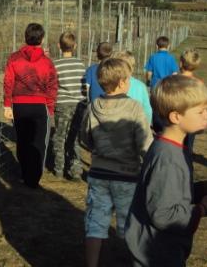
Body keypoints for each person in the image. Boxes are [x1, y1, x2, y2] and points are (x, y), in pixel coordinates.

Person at [125, 75, 207, 267]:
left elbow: (168, 193)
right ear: (176, 116)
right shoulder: (168, 158)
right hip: (157, 252)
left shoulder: (172, 147)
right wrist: (202, 210)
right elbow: (163, 215)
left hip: (162, 248)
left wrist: (201, 189)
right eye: (201, 111)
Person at [79, 58, 153, 267]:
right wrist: (150, 161)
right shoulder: (134, 108)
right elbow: (144, 141)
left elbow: (84, 136)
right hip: (127, 175)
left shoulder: (93, 106)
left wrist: (97, 148)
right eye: (129, 78)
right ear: (122, 83)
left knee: (95, 222)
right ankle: (135, 261)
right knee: (130, 223)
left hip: (99, 174)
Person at [3, 23, 58, 188]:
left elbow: (8, 82)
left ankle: (25, 173)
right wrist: (50, 106)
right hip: (40, 106)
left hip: (19, 106)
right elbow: (52, 85)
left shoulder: (14, 58)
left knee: (23, 140)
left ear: (25, 37)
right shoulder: (47, 62)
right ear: (42, 39)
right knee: (39, 141)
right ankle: (34, 177)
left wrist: (7, 104)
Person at [51, 32, 86, 180]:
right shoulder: (80, 64)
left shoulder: (55, 65)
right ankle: (76, 170)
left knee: (59, 136)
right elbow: (84, 86)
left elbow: (53, 86)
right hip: (78, 105)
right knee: (75, 137)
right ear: (75, 46)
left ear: (59, 46)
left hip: (62, 105)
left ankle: (59, 169)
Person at [112, 51, 152, 124]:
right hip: (137, 127)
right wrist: (146, 126)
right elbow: (147, 111)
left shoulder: (111, 84)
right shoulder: (140, 86)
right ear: (132, 67)